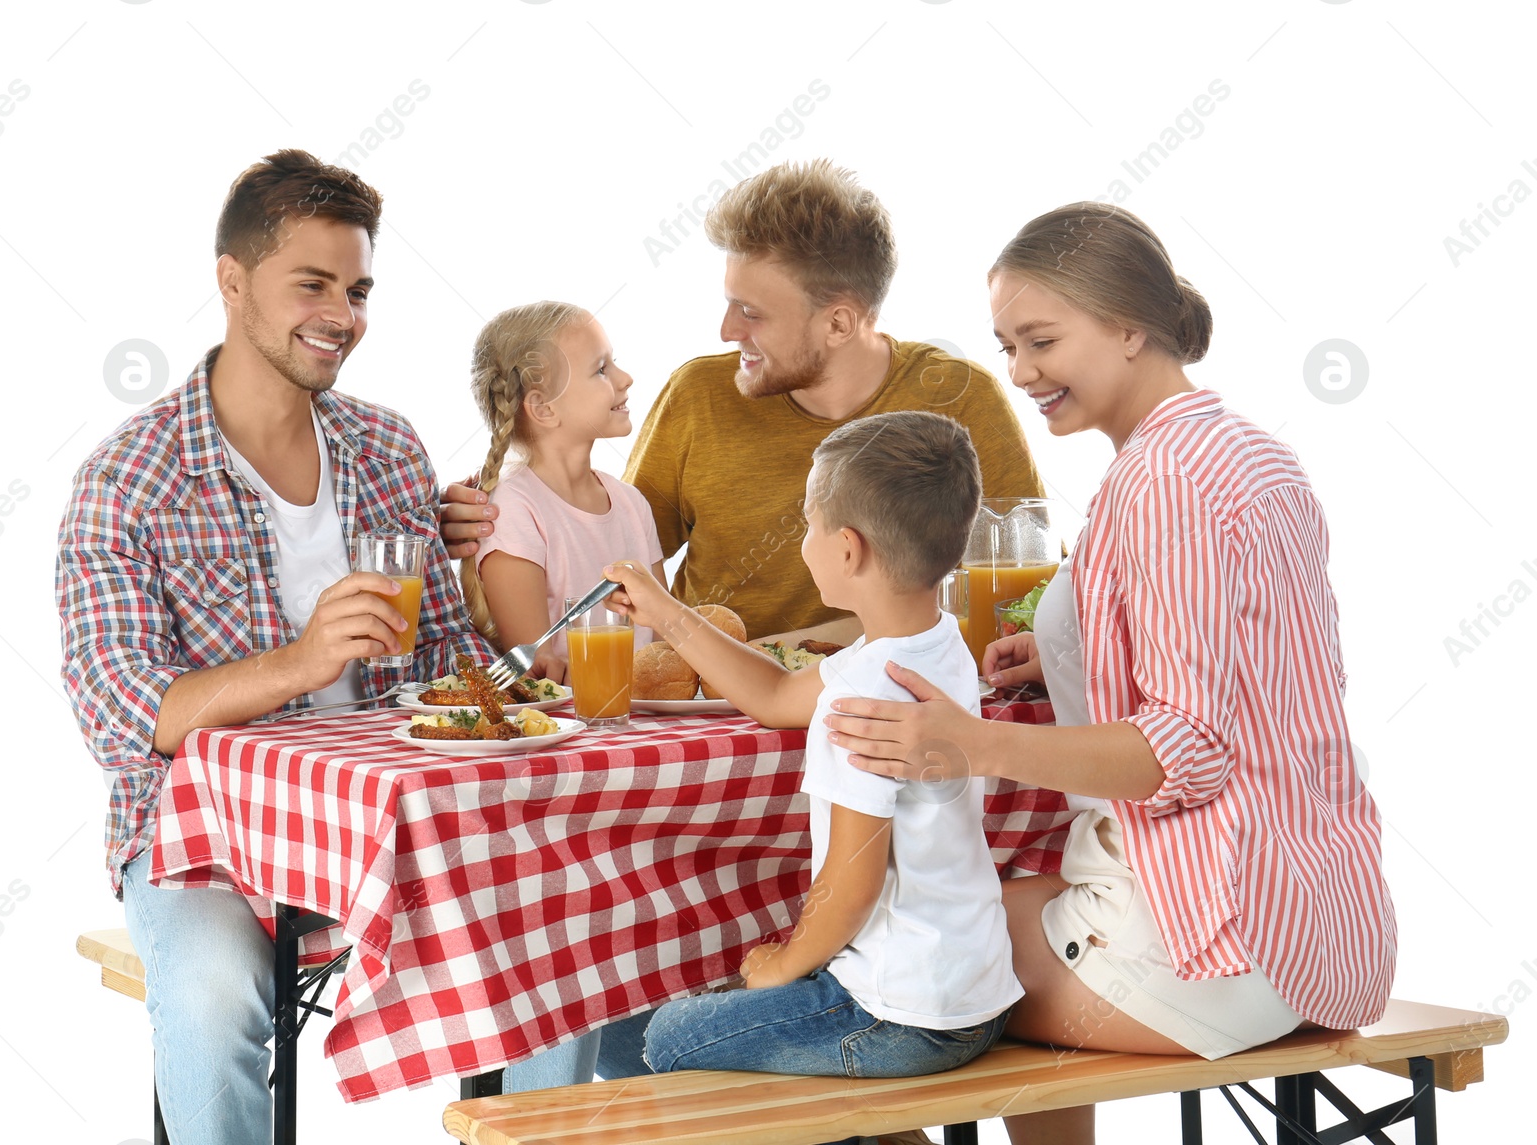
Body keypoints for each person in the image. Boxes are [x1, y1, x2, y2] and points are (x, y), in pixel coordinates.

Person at [824, 204, 1396, 1145]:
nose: (1019, 373)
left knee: (897, 959)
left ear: (1131, 326)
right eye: (1008, 345)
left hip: (1216, 943)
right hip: (1323, 925)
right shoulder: (1246, 450)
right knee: (971, 916)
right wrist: (1067, 661)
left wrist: (973, 745)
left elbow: (1187, 751)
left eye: (1041, 340)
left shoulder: (1164, 481)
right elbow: (1243, 674)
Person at [56, 150, 494, 1145]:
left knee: (562, 925)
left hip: (388, 825)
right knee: (213, 997)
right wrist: (301, 662)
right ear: (232, 279)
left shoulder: (388, 449)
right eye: (313, 282)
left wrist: (511, 581)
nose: (342, 311)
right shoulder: (129, 478)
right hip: (204, 840)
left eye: (357, 288)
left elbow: (452, 669)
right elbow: (120, 715)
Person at [603, 411, 1020, 1114]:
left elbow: (851, 884)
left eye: (807, 524)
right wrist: (665, 610)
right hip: (974, 992)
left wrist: (782, 966)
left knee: (656, 1037)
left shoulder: (864, 697)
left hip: (896, 1013)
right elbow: (772, 692)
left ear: (848, 549)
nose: (803, 541)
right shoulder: (933, 642)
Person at [442, 159, 1043, 644]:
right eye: (730, 302)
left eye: (751, 312)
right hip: (712, 722)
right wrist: (485, 519)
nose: (727, 330)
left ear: (837, 323)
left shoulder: (961, 401)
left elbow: (1020, 599)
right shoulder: (698, 397)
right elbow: (596, 545)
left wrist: (816, 649)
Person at [462, 301, 668, 683]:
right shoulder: (514, 509)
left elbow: (666, 644)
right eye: (601, 369)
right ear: (542, 408)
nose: (626, 378)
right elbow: (540, 675)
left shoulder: (632, 504)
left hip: (645, 724)